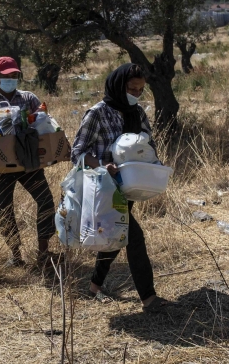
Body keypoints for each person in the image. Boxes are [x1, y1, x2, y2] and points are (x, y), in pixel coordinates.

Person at [70, 63, 174, 313]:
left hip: (129, 186)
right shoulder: (97, 113)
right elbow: (77, 153)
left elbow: (147, 143)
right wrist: (103, 165)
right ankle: (149, 299)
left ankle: (94, 286)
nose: (136, 94)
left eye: (140, 90)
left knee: (117, 233)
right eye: (131, 89)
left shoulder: (136, 112)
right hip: (104, 189)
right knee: (133, 237)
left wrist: (155, 164)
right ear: (118, 85)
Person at [0, 56, 57, 269]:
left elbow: (46, 123)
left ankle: (43, 252)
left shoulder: (28, 98)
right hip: (0, 165)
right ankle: (16, 255)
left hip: (27, 161)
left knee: (46, 201)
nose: (11, 78)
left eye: (15, 75)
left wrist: (51, 147)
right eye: (7, 75)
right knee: (4, 209)